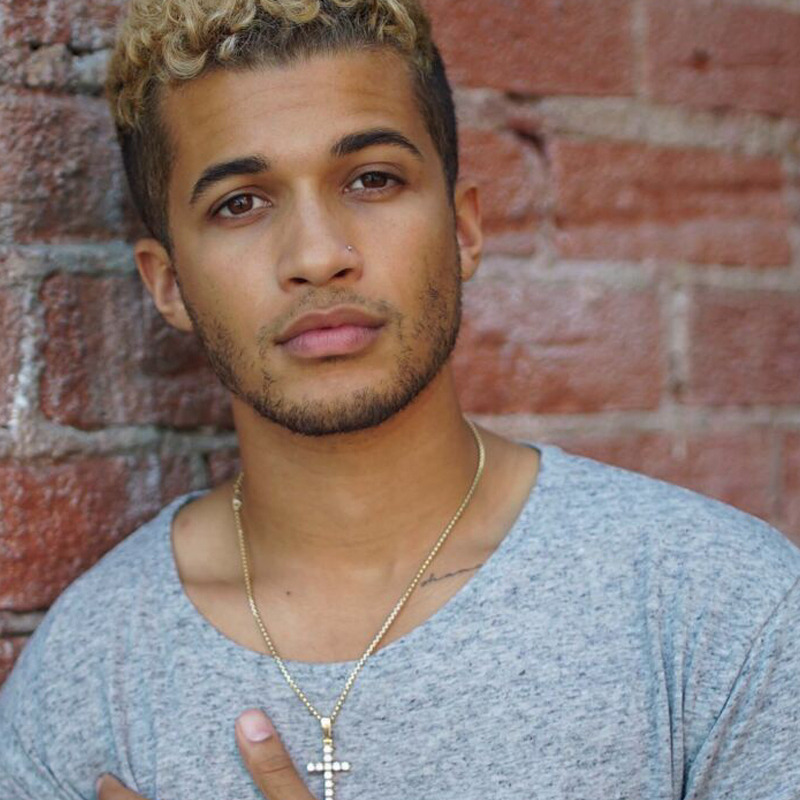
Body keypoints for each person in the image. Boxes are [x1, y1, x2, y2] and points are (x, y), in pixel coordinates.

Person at [1, 1, 799, 798]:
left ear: (463, 230)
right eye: (239, 202)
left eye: (372, 179)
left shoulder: (717, 611)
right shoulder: (85, 682)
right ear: (169, 283)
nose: (318, 256)